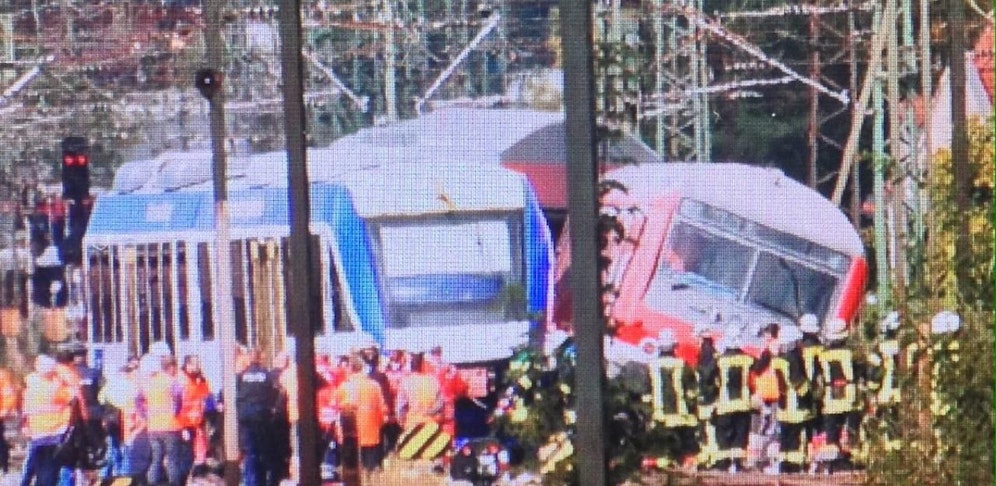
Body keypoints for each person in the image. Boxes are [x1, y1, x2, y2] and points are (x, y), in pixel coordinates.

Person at [814, 318, 864, 473]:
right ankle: (851, 460)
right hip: (850, 398)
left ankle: (832, 463)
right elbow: (861, 372)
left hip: (831, 399)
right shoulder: (851, 353)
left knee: (831, 434)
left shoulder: (822, 356)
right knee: (851, 430)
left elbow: (818, 378)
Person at [20, 354, 74, 486]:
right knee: (51, 471)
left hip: (37, 433)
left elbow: (25, 409)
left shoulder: (30, 383)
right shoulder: (56, 386)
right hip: (55, 432)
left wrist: (24, 426)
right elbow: (72, 397)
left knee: (40, 469)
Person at [649, 330, 699, 470]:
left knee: (663, 444)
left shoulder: (652, 365)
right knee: (680, 442)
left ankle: (664, 463)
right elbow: (691, 389)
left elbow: (647, 388)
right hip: (680, 414)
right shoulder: (682, 364)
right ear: (674, 347)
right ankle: (678, 463)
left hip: (659, 413)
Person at [334, 356, 389, 483]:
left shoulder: (344, 387)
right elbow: (383, 410)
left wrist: (339, 433)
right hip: (371, 433)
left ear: (350, 368)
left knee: (352, 472)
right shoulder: (374, 386)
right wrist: (378, 426)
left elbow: (338, 412)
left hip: (350, 436)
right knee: (371, 470)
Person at [771, 326, 814, 473]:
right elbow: (797, 382)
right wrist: (810, 395)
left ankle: (784, 465)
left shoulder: (778, 359)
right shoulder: (793, 358)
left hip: (783, 407)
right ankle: (796, 467)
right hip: (796, 406)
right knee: (797, 437)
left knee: (785, 438)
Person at [236, 348, 282, 486]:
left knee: (250, 452)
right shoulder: (266, 375)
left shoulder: (242, 375)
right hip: (261, 417)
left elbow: (237, 395)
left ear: (250, 359)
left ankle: (251, 482)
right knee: (264, 451)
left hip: (245, 417)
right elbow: (274, 394)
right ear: (260, 358)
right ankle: (266, 480)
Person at [711, 331, 755, 473]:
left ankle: (722, 463)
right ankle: (737, 463)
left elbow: (709, 378)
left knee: (722, 434)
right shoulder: (747, 359)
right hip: (742, 404)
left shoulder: (719, 361)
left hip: (724, 404)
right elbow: (759, 366)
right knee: (740, 434)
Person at [141, 354, 188, 486]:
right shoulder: (172, 382)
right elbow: (179, 400)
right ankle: (174, 483)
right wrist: (176, 412)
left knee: (156, 458)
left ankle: (151, 483)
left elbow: (138, 399)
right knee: (173, 460)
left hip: (153, 427)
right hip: (171, 427)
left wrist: (145, 415)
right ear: (171, 367)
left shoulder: (150, 382)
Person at [694, 322, 721, 470]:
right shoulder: (710, 350)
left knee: (708, 427)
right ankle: (709, 456)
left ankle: (711, 457)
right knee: (707, 427)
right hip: (709, 395)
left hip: (708, 396)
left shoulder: (707, 351)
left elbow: (706, 374)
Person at [178, 355, 212, 468]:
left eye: (198, 364)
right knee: (186, 456)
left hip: (197, 421)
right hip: (184, 422)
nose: (197, 367)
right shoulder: (181, 380)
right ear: (187, 365)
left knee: (199, 454)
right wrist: (182, 427)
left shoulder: (199, 379)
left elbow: (206, 396)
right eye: (195, 364)